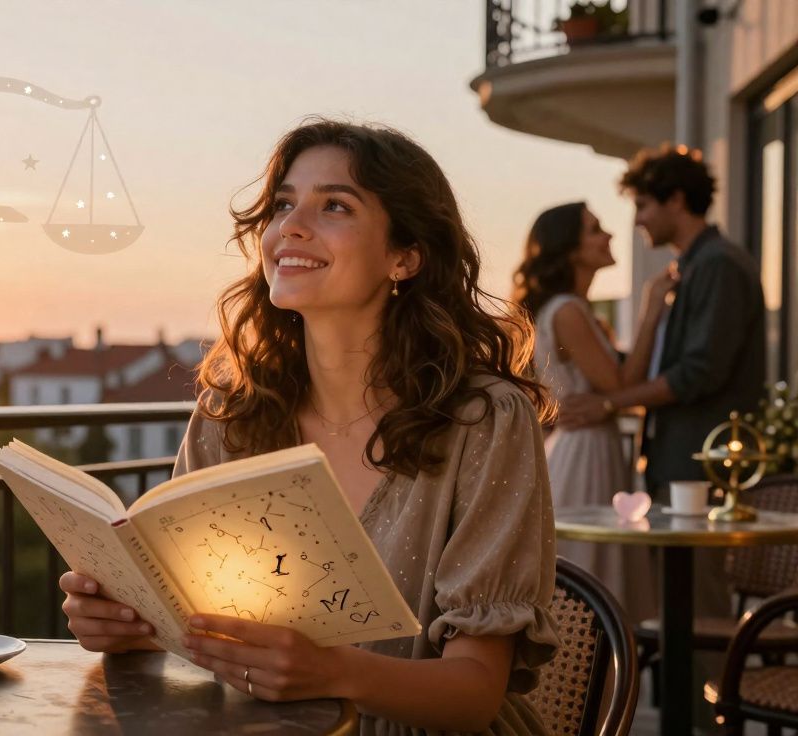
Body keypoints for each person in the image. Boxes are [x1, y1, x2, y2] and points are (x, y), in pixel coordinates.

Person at [59, 119, 560, 735]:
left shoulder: (484, 420)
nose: (291, 226)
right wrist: (130, 626)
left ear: (404, 256)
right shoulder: (231, 416)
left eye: (335, 206)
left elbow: (474, 694)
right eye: (283, 205)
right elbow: (205, 628)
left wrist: (331, 672)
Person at [558, 145, 765, 499]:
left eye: (642, 206)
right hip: (683, 463)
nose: (637, 221)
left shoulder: (718, 265)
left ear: (676, 200)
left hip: (704, 465)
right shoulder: (691, 268)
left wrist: (608, 404)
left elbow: (698, 372)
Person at [512, 201, 665, 623]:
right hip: (586, 454)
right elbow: (620, 385)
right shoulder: (568, 310)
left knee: (594, 565)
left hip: (586, 446)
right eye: (595, 229)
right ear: (570, 248)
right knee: (591, 570)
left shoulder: (568, 308)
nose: (609, 235)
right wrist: (651, 309)